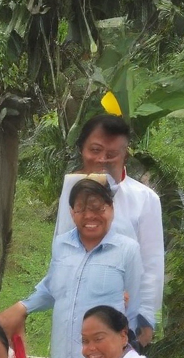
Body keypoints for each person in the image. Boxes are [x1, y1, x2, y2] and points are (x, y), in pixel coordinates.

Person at [0, 178, 143, 358]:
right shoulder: (61, 245)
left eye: (98, 208)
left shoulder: (127, 250)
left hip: (102, 356)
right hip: (64, 353)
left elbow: (134, 307)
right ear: (71, 212)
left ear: (111, 210)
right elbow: (52, 288)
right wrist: (22, 307)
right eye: (82, 209)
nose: (90, 216)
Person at [54, 114, 164, 344]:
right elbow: (61, 250)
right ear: (81, 149)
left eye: (111, 154)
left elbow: (151, 266)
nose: (102, 159)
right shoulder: (70, 191)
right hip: (74, 313)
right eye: (94, 150)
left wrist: (145, 320)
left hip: (122, 318)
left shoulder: (145, 199)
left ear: (124, 154)